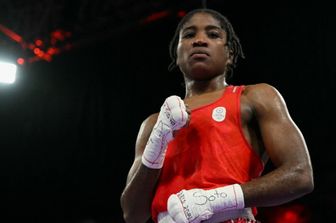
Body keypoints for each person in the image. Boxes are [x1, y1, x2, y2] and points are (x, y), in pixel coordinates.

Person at [120, 8, 314, 223]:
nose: (200, 40)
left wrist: (214, 200)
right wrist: (157, 141)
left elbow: (300, 175)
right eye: (189, 34)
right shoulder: (153, 123)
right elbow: (133, 214)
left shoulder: (254, 97)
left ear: (229, 54)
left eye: (213, 34)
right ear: (177, 52)